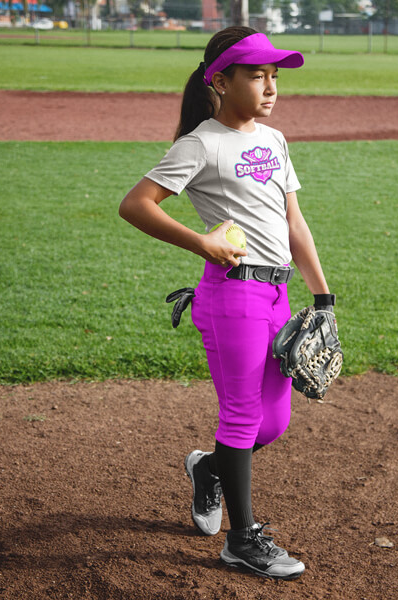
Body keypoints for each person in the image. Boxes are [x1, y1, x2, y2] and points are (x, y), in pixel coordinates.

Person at [118, 26, 335, 580]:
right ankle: (243, 540)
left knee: (274, 422)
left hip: (277, 293)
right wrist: (203, 242)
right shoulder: (201, 143)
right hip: (231, 295)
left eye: (274, 76)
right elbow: (137, 204)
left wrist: (323, 295)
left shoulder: (275, 139)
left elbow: (294, 223)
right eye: (257, 75)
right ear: (220, 80)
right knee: (241, 416)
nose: (270, 86)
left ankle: (209, 469)